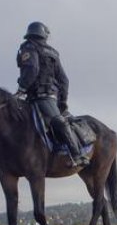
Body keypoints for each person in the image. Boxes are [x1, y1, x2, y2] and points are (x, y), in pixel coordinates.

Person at [16, 21, 88, 167]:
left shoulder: (28, 48)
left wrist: (22, 88)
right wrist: (62, 101)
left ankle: (77, 155)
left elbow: (32, 70)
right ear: (44, 35)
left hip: (37, 97)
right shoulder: (53, 52)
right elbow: (64, 80)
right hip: (48, 97)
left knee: (57, 121)